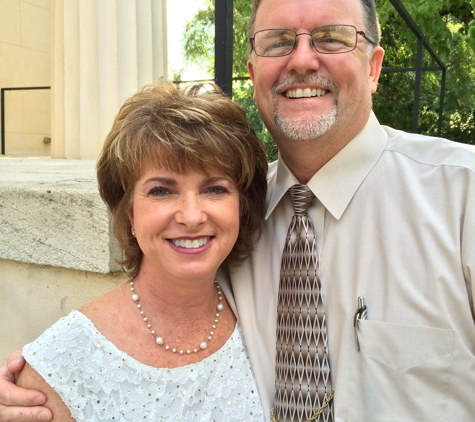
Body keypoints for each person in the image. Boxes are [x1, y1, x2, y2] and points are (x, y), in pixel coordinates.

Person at [1, 0, 475, 420]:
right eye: (278, 41)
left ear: (373, 66)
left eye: (332, 38)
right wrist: (49, 373)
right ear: (253, 71)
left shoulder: (462, 199)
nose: (303, 58)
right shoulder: (236, 217)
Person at [0, 78, 268, 421]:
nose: (191, 216)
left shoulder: (266, 316)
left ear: (241, 207)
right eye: (161, 191)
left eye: (215, 189)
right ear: (128, 210)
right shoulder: (56, 370)